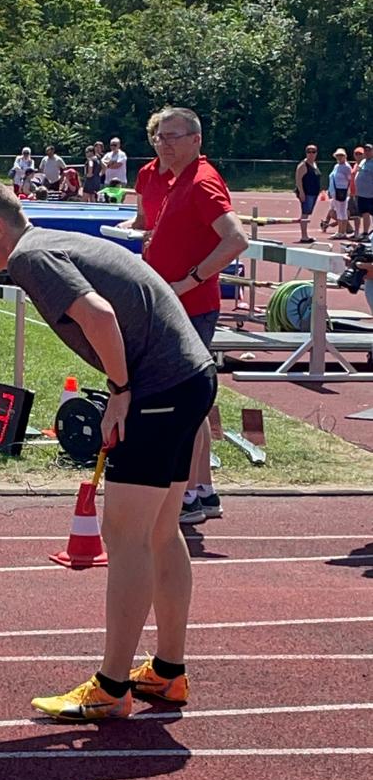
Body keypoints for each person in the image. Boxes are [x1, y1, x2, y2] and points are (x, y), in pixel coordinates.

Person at [0, 179, 217, 721]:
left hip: (159, 387)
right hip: (187, 377)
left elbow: (98, 316)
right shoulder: (49, 244)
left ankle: (111, 686)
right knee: (160, 533)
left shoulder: (32, 256)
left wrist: (119, 393)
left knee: (125, 535)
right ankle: (167, 674)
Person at [142, 107, 248, 526]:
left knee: (182, 401)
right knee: (193, 403)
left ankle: (188, 491)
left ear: (195, 140)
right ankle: (200, 490)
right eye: (159, 138)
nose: (163, 144)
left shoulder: (202, 182)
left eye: (172, 137)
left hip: (190, 307)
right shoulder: (175, 178)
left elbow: (236, 239)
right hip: (178, 306)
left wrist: (189, 281)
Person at [119, 114, 174, 240]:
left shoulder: (190, 174)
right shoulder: (145, 172)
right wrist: (124, 227)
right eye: (159, 138)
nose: (163, 144)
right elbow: (141, 219)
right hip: (150, 252)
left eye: (169, 138)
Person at [294, 144, 321, 243]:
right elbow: (298, 180)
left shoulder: (314, 164)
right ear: (306, 153)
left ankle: (305, 235)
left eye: (313, 152)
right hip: (307, 193)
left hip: (313, 192)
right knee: (305, 214)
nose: (311, 154)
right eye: (309, 152)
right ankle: (304, 236)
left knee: (308, 213)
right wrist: (301, 192)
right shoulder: (303, 165)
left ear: (316, 153)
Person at [327, 149, 352, 239]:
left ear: (345, 156)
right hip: (335, 192)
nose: (339, 157)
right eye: (338, 155)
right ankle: (340, 231)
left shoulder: (346, 167)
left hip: (342, 191)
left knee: (342, 211)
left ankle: (342, 231)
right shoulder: (336, 166)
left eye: (341, 155)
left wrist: (347, 191)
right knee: (338, 211)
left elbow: (350, 180)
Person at [355, 142, 373, 238]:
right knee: (365, 213)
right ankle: (365, 233)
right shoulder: (363, 161)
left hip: (371, 193)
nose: (367, 152)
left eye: (369, 150)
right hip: (361, 194)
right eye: (365, 150)